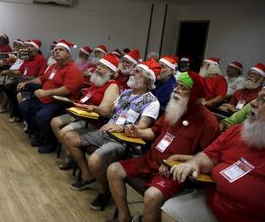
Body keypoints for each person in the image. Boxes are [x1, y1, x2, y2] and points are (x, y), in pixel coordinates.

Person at [106, 72, 219, 222]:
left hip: (174, 172)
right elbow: (154, 131)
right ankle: (124, 217)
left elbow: (208, 158)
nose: (177, 90)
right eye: (177, 85)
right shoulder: (175, 107)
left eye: (183, 88)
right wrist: (137, 132)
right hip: (151, 160)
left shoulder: (208, 122)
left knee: (152, 195)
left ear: (195, 93)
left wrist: (175, 160)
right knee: (114, 170)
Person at [65, 59, 161, 210]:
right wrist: (93, 108)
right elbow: (110, 111)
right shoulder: (126, 93)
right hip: (106, 131)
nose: (132, 72)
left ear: (147, 79)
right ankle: (87, 175)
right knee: (69, 136)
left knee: (95, 160)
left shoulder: (152, 101)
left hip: (123, 141)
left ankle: (105, 190)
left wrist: (122, 128)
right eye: (134, 70)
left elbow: (142, 126)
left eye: (137, 71)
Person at [162, 87, 265, 222]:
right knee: (170, 209)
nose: (253, 103)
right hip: (216, 203)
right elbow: (208, 156)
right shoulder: (236, 131)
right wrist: (194, 164)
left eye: (263, 100)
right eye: (257, 97)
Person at [51, 54, 120, 170]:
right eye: (99, 65)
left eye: (103, 67)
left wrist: (83, 110)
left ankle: (72, 158)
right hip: (80, 114)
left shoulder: (112, 86)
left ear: (111, 72)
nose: (98, 68)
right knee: (54, 122)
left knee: (64, 130)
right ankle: (72, 155)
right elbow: (85, 98)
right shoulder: (97, 81)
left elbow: (104, 112)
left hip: (92, 120)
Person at [18, 39, 84, 153]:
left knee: (42, 116)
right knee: (24, 106)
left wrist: (46, 92)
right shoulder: (54, 66)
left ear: (68, 53)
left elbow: (67, 89)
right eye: (55, 50)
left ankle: (50, 142)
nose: (56, 51)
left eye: (61, 50)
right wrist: (26, 83)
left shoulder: (73, 69)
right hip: (43, 99)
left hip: (59, 102)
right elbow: (41, 79)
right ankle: (38, 134)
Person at [2, 39, 47, 121]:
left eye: (32, 46)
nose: (29, 48)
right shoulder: (27, 59)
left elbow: (40, 77)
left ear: (37, 49)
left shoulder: (41, 60)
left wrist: (26, 82)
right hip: (22, 81)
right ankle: (17, 113)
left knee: (15, 91)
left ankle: (18, 115)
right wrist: (8, 71)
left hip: (31, 83)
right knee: (7, 87)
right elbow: (19, 71)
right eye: (29, 46)